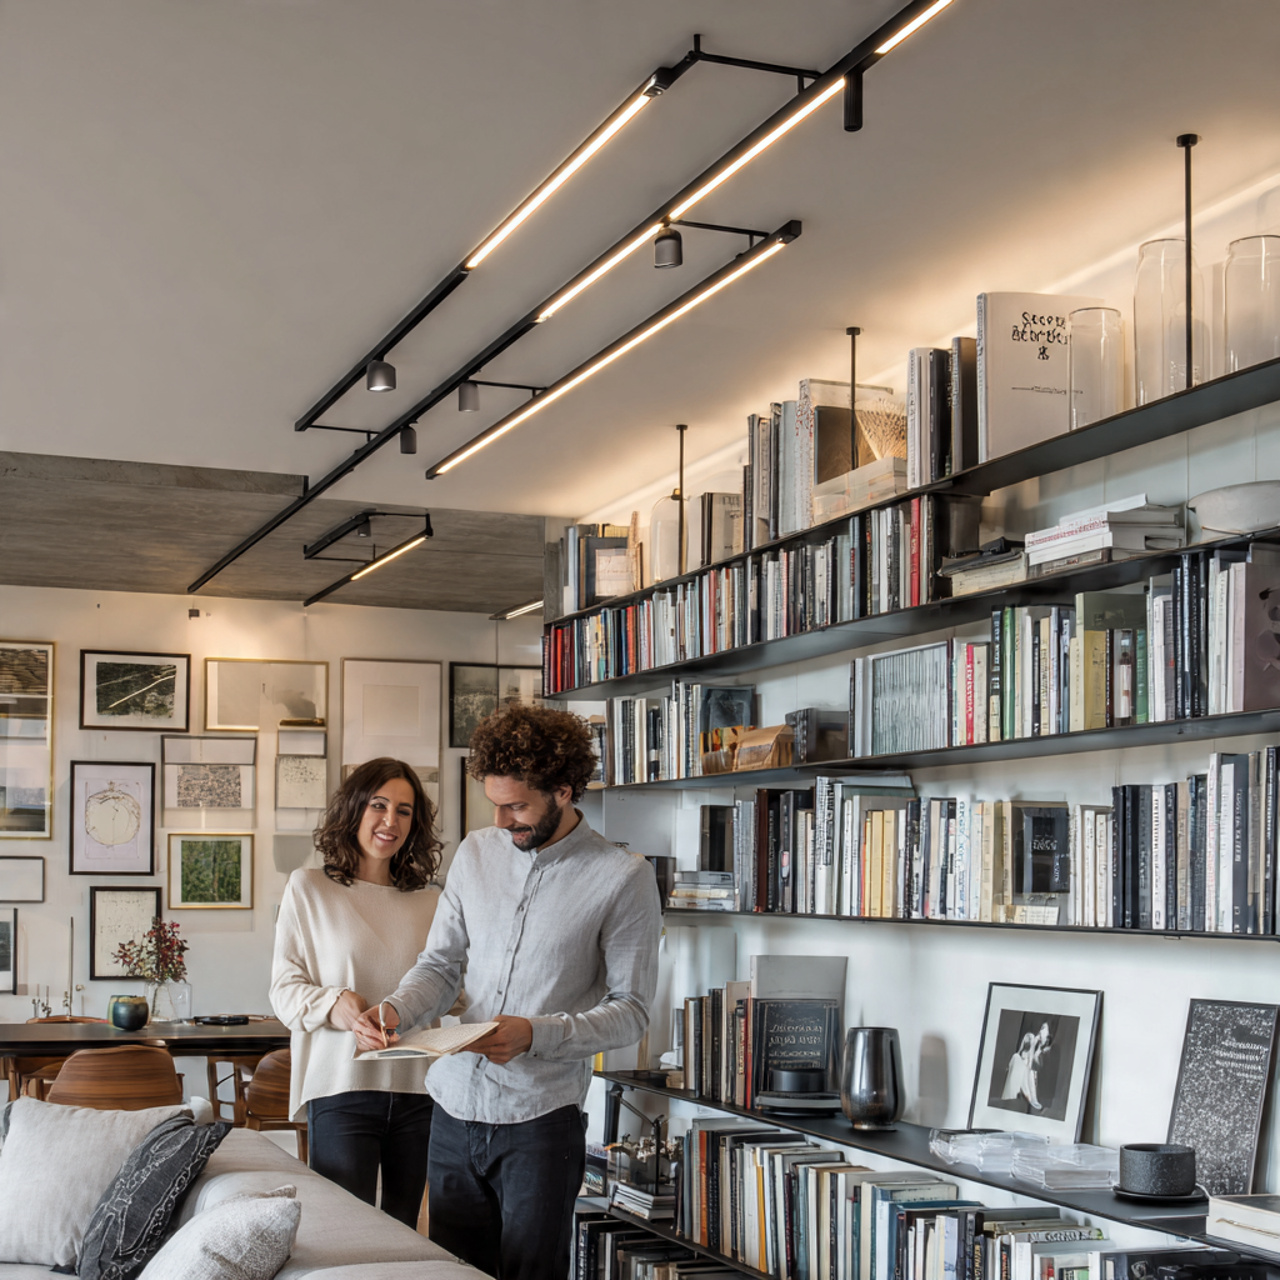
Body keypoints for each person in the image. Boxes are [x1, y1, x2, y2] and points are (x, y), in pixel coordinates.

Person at [353, 703, 662, 1280]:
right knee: (456, 1273)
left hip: (540, 1124)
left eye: (516, 806)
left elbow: (631, 1013)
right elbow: (441, 966)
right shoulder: (474, 854)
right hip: (450, 1109)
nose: (501, 821)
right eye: (494, 804)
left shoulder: (623, 876)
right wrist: (394, 1007)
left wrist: (535, 1035)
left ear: (564, 791)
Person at [269, 756, 450, 1227]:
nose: (391, 821)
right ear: (353, 809)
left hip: (420, 1091)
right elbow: (285, 991)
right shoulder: (308, 888)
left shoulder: (432, 901)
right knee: (340, 1232)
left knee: (405, 1232)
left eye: (405, 811)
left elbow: (454, 990)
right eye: (379, 805)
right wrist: (336, 1005)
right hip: (343, 1087)